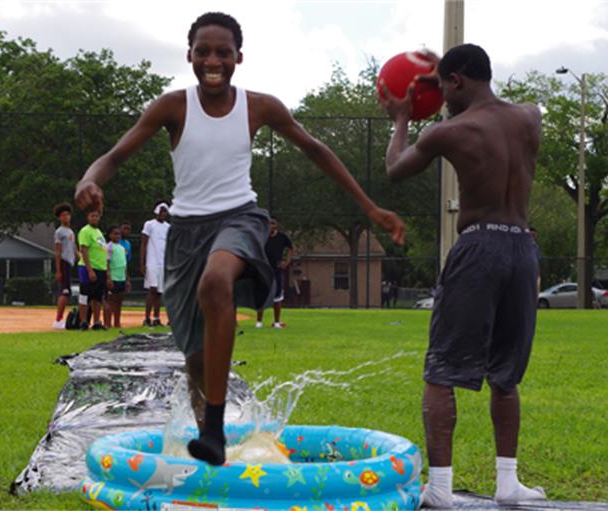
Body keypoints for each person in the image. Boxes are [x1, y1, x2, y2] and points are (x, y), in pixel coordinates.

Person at [75, 12, 405, 466]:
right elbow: (114, 156)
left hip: (239, 219)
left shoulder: (259, 106)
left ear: (239, 57)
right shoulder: (172, 106)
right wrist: (87, 180)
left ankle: (212, 427)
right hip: (185, 235)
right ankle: (211, 450)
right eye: (203, 51)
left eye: (223, 52)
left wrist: (368, 206)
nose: (213, 60)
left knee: (216, 283)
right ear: (189, 56)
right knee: (194, 360)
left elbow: (315, 148)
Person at [379, 43, 545, 507]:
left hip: (479, 247)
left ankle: (441, 490)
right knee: (506, 375)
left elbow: (394, 169)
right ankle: (508, 484)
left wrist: (402, 119)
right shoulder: (530, 116)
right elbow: (490, 104)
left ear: (455, 80)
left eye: (445, 90)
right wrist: (443, 70)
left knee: (441, 372)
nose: (443, 100)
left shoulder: (449, 130)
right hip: (521, 248)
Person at [255, 215, 294, 328]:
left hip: (276, 270)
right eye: (269, 223)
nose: (271, 226)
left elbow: (292, 248)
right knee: (261, 295)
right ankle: (259, 322)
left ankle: (276, 322)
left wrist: (286, 263)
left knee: (277, 296)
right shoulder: (261, 236)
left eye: (273, 223)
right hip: (263, 270)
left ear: (276, 225)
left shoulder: (282, 237)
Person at [77, 210, 108, 331]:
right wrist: (90, 270)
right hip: (88, 268)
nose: (95, 218)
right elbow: (84, 250)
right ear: (88, 217)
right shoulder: (85, 231)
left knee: (98, 297)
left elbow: (104, 250)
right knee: (85, 295)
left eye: (97, 216)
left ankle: (96, 322)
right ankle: (83, 322)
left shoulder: (98, 232)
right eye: (92, 215)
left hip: (101, 268)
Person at [140, 201, 170, 327]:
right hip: (152, 261)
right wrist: (142, 263)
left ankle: (156, 318)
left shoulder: (168, 227)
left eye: (165, 211)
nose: (162, 213)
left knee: (159, 291)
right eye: (160, 210)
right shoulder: (149, 224)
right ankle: (147, 318)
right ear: (156, 211)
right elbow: (144, 243)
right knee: (152, 289)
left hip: (163, 262)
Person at [53, 202, 80, 329]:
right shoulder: (59, 232)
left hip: (69, 263)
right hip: (63, 262)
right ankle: (58, 320)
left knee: (64, 292)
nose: (66, 217)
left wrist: (79, 257)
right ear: (59, 217)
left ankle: (59, 319)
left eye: (67, 214)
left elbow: (73, 246)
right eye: (63, 215)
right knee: (65, 292)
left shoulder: (70, 231)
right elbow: (58, 251)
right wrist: (58, 270)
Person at [104, 224, 131, 329]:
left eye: (119, 234)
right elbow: (107, 263)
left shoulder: (122, 248)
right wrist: (109, 278)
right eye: (115, 234)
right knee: (109, 301)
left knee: (119, 301)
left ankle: (117, 323)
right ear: (110, 235)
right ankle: (107, 323)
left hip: (121, 278)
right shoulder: (108, 247)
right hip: (113, 278)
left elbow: (125, 265)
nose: (117, 236)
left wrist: (127, 280)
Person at [529, 226, 541, 295]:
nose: (532, 236)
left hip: (534, 273)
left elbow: (537, 259)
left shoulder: (536, 247)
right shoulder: (523, 246)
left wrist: (538, 272)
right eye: (530, 234)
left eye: (533, 234)